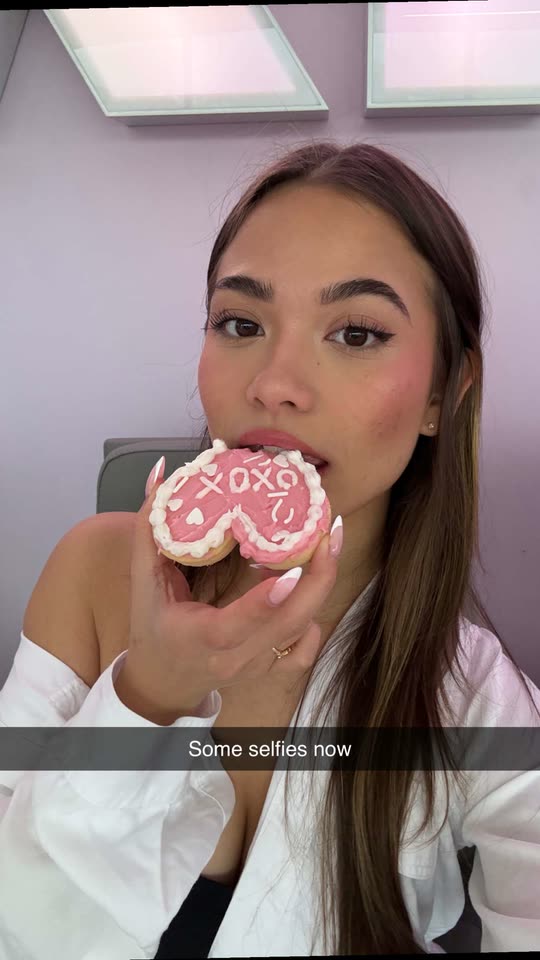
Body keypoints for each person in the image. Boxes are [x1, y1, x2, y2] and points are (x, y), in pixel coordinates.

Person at [1, 139, 539, 958]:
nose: (273, 383)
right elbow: (17, 920)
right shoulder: (96, 574)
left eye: (356, 333)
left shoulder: (472, 696)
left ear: (442, 392)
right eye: (241, 323)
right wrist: (150, 695)